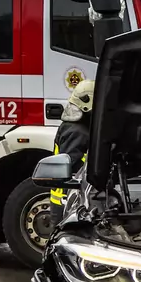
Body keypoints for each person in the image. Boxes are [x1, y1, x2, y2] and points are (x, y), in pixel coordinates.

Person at [49, 80, 94, 222]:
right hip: (67, 203)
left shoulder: (74, 127)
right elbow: (73, 168)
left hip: (69, 201)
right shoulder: (77, 132)